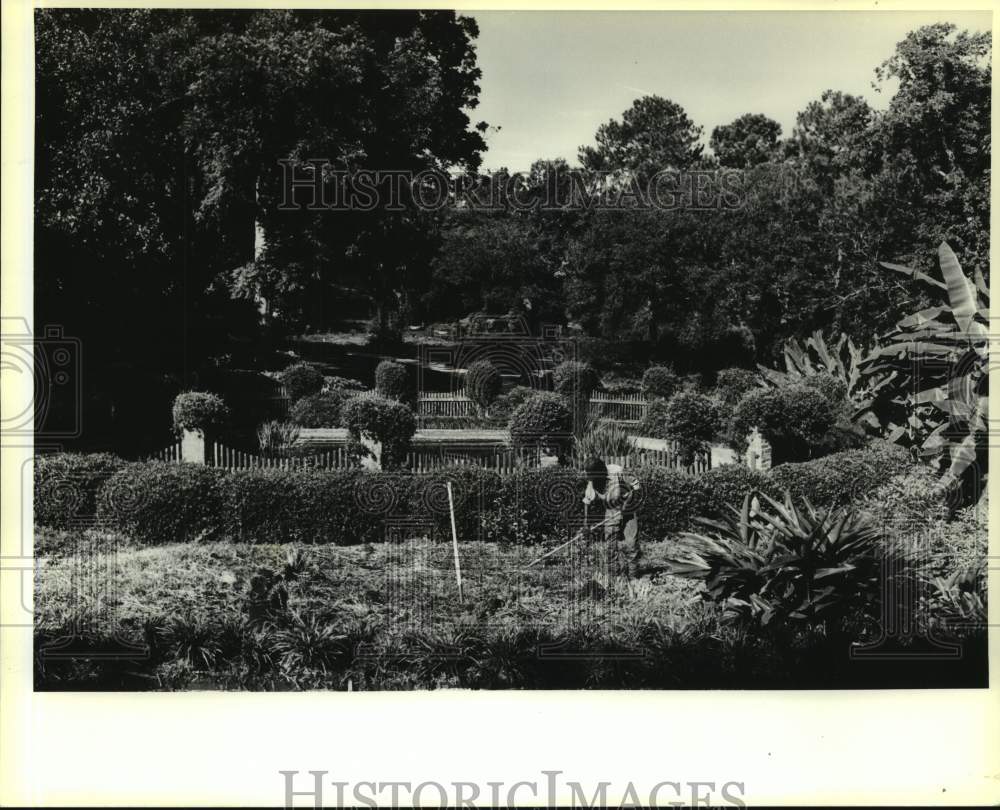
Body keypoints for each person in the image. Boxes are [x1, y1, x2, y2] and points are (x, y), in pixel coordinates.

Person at [582, 456, 642, 578]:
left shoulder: (617, 471)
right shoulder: (592, 481)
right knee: (610, 546)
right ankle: (615, 577)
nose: (593, 480)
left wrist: (627, 505)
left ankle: (633, 577)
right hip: (611, 510)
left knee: (631, 544)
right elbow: (587, 502)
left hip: (628, 509)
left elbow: (636, 487)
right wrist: (586, 524)